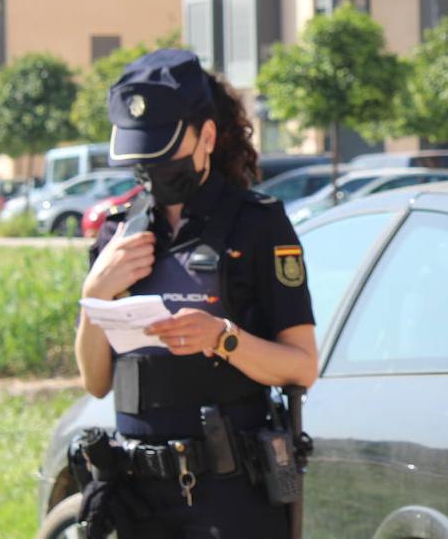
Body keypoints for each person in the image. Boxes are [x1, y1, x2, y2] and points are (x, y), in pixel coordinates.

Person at [73, 49, 318, 538]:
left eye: (166, 154)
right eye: (143, 159)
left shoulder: (258, 224)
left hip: (229, 500)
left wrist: (222, 338)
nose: (154, 170)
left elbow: (302, 366)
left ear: (207, 136)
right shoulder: (118, 234)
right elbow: (95, 381)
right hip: (139, 500)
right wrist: (95, 291)